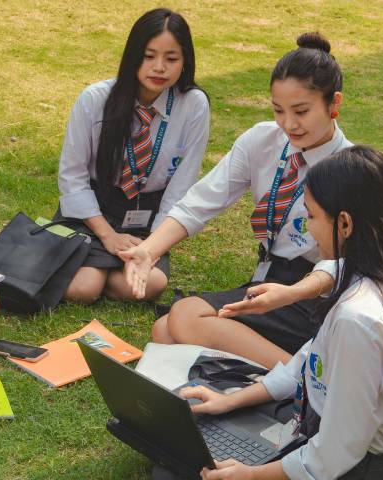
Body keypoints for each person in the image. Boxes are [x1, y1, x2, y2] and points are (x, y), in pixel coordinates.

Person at [184, 145, 383, 480]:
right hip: (331, 434)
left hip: (357, 466)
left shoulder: (356, 321)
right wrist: (231, 400)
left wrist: (251, 475)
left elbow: (334, 452)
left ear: (344, 223)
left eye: (312, 216)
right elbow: (309, 361)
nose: (309, 228)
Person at [123, 32, 349, 368]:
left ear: (334, 104)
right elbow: (201, 202)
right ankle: (279, 373)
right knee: (164, 332)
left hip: (317, 293)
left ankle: (301, 379)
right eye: (279, 110)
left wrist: (296, 291)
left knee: (183, 319)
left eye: (301, 111)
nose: (289, 124)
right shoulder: (262, 140)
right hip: (269, 279)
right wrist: (148, 250)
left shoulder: (350, 167)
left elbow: (362, 264)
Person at [55, 8, 210, 304]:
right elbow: (72, 177)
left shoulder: (194, 104)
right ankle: (98, 269)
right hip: (94, 210)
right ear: (132, 55)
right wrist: (108, 236)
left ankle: (102, 270)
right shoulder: (95, 99)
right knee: (81, 289)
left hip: (148, 216)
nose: (159, 68)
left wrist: (152, 247)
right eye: (149, 56)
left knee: (151, 286)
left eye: (171, 58)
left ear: (185, 61)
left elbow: (181, 187)